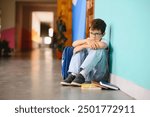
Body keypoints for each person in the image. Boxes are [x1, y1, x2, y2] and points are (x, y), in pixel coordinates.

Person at [60, 18, 109, 86]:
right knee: (80, 49)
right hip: (87, 77)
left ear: (103, 34)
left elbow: (102, 45)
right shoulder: (88, 40)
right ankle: (73, 75)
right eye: (91, 33)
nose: (93, 36)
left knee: (98, 49)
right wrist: (85, 42)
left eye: (97, 34)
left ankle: (82, 74)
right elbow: (74, 45)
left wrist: (85, 45)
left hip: (99, 75)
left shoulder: (103, 41)